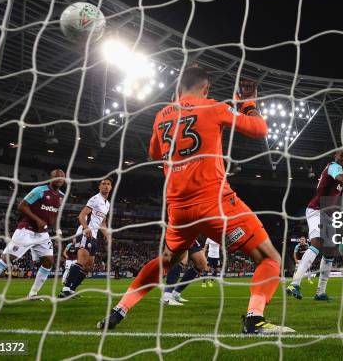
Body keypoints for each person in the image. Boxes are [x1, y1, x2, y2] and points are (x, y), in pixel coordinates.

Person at [97, 68, 294, 334]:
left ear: (178, 89)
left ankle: (119, 310)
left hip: (178, 208)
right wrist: (247, 103)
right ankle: (254, 319)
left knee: (167, 259)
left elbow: (155, 152)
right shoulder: (213, 107)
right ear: (206, 88)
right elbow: (260, 129)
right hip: (215, 202)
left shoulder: (161, 115)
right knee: (270, 259)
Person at [286, 150, 343, 301]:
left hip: (328, 215)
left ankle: (320, 292)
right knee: (316, 243)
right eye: (341, 155)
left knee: (329, 253)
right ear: (335, 156)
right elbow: (342, 178)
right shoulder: (333, 167)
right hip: (316, 210)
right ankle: (294, 284)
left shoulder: (338, 174)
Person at [0, 169, 65, 301]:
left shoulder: (61, 196)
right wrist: (37, 220)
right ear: (51, 179)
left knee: (49, 261)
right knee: (7, 259)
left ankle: (33, 294)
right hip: (26, 230)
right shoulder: (40, 191)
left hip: (43, 234)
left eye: (62, 177)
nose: (59, 179)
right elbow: (22, 206)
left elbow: (56, 215)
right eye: (57, 177)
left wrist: (58, 233)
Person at [59, 178, 111, 298]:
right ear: (99, 187)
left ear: (111, 187)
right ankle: (65, 289)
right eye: (103, 184)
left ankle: (71, 290)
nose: (106, 186)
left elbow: (102, 223)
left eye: (108, 184)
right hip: (84, 233)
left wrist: (108, 236)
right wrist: (86, 228)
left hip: (94, 236)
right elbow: (81, 215)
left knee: (88, 267)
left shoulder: (107, 204)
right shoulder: (95, 199)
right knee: (82, 261)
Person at [163, 240, 207, 305]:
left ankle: (176, 293)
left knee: (201, 266)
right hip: (181, 234)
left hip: (192, 238)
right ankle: (167, 296)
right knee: (181, 259)